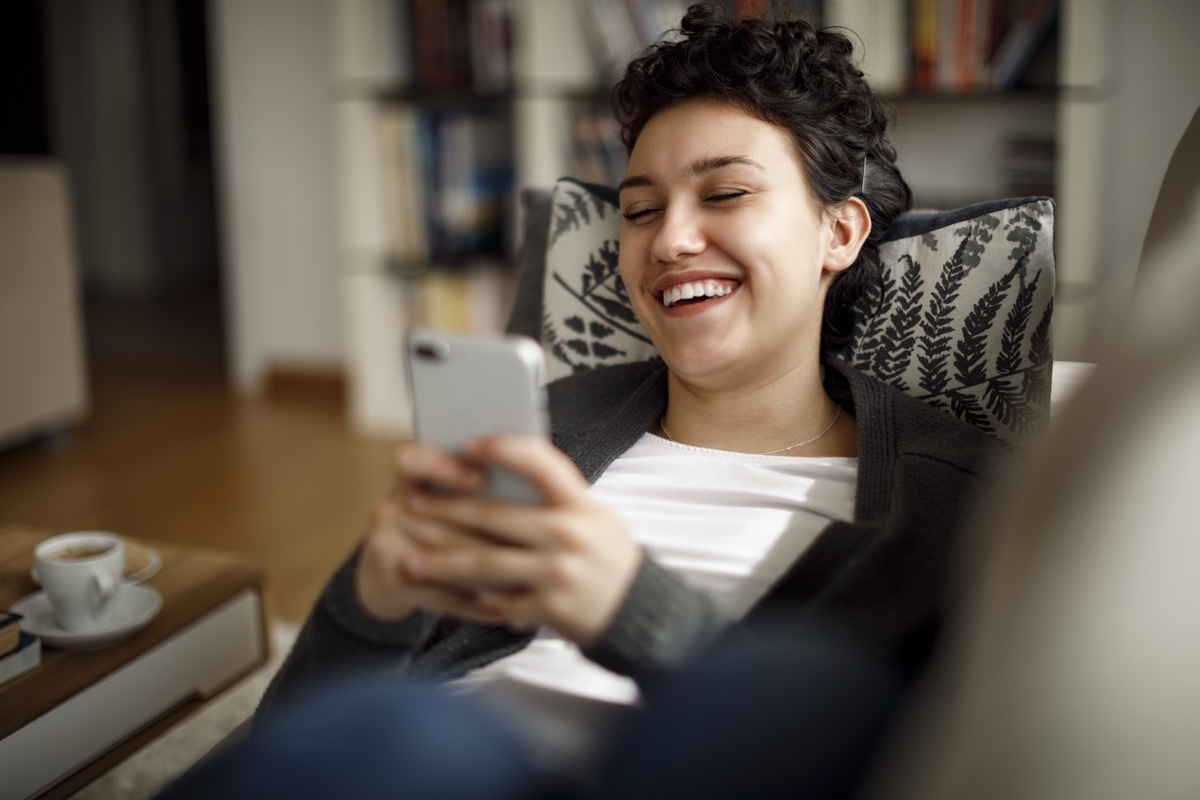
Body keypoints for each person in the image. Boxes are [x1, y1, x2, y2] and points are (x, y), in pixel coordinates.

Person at [251, 1, 1004, 783]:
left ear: (839, 233)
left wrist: (631, 610)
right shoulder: (545, 428)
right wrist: (370, 601)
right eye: (640, 210)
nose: (670, 240)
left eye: (723, 195)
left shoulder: (959, 497)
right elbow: (284, 739)